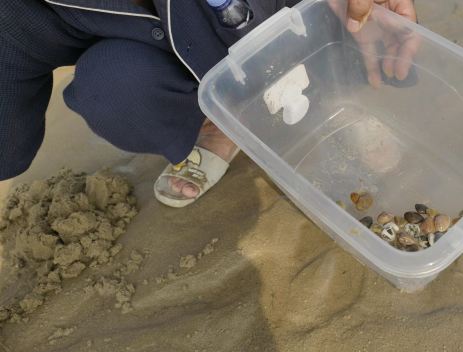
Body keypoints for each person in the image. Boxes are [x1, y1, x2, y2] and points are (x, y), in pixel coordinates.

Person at [0, 0, 417, 207]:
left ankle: (341, 95)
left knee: (349, 19)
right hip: (152, 40)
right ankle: (218, 124)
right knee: (113, 89)